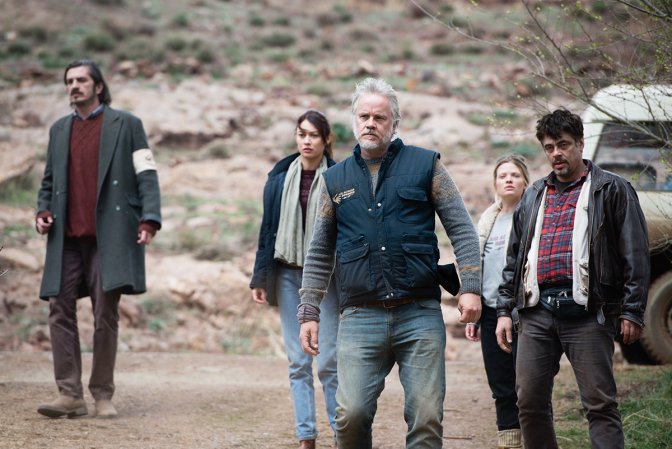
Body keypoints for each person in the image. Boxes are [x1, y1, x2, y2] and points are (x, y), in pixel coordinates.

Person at [298, 78, 482, 449]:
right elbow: (319, 250)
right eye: (364, 116)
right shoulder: (334, 180)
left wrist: (471, 287)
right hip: (359, 316)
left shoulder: (426, 165)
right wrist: (309, 310)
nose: (371, 123)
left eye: (379, 117)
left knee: (426, 417)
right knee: (350, 415)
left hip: (419, 313)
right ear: (353, 121)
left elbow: (462, 229)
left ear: (394, 123)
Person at [495, 109, 649, 449]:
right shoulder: (534, 194)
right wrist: (505, 310)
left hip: (589, 313)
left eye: (563, 145)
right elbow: (514, 258)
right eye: (549, 147)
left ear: (580, 143)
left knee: (600, 404)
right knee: (529, 402)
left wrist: (632, 310)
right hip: (536, 312)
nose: (556, 153)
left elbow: (635, 252)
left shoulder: (612, 189)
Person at [35, 59, 161, 419]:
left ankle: (103, 394)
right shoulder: (59, 129)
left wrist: (149, 218)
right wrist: (43, 211)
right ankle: (69, 394)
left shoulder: (127, 125)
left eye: (81, 80)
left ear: (98, 86)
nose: (74, 86)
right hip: (67, 238)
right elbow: (48, 181)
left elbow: (146, 174)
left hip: (111, 237)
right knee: (59, 308)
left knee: (105, 313)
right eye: (69, 81)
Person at [250, 110, 339, 449]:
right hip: (287, 274)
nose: (307, 141)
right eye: (302, 134)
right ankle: (306, 436)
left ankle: (341, 434)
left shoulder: (341, 178)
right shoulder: (278, 178)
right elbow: (267, 230)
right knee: (298, 361)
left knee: (329, 360)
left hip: (327, 278)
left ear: (326, 139)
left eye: (314, 135)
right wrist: (259, 277)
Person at [465, 154, 529, 449]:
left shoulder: (531, 216)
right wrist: (476, 313)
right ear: (495, 184)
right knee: (501, 385)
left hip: (523, 312)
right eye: (503, 175)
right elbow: (479, 268)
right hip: (490, 312)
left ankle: (536, 439)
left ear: (525, 181)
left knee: (528, 386)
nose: (508, 180)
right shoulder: (488, 220)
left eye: (515, 175)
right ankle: (510, 442)